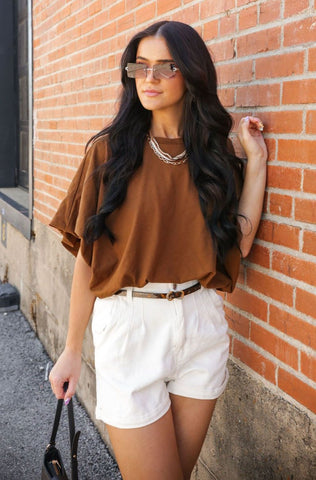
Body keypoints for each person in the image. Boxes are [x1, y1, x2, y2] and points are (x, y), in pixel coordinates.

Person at [49, 20, 267, 480]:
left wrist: (257, 162)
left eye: (165, 67)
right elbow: (90, 259)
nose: (148, 78)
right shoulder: (110, 153)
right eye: (140, 67)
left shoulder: (214, 154)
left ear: (191, 74)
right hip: (131, 328)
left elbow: (240, 242)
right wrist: (71, 349)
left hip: (201, 324)